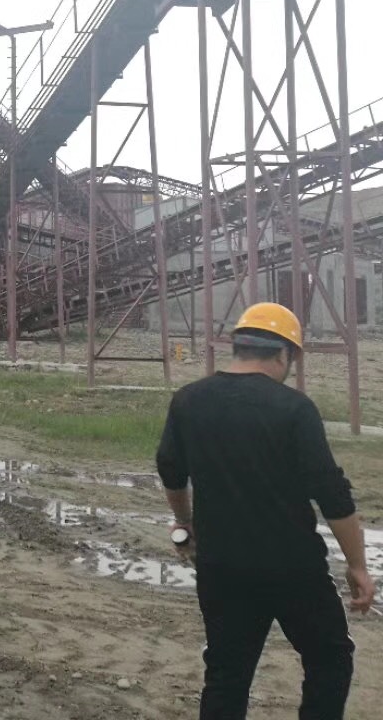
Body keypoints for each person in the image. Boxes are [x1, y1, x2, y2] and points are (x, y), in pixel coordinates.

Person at [156, 301, 375, 719]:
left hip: (220, 565)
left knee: (226, 673)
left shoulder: (188, 401)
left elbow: (170, 470)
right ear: (284, 354)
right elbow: (333, 495)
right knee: (329, 658)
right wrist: (357, 566)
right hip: (293, 568)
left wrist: (184, 523)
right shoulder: (294, 409)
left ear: (238, 345)